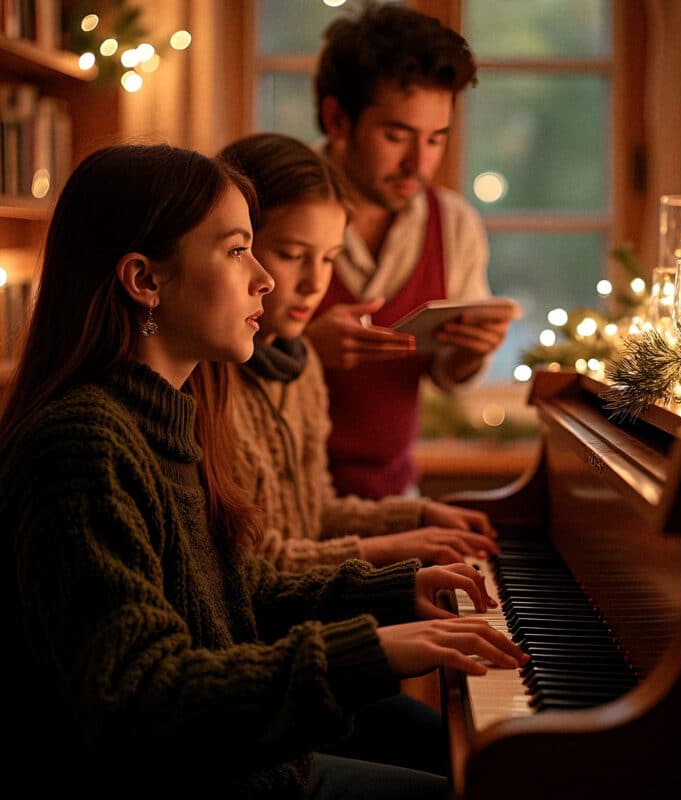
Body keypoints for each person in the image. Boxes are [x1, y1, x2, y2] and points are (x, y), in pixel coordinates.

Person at [0, 143, 529, 799]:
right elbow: (138, 697)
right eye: (234, 250)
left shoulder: (170, 416)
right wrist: (373, 652)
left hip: (255, 765)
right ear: (145, 280)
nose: (267, 280)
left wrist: (389, 594)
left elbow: (231, 589)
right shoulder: (84, 444)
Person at [218, 131, 502, 572]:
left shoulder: (301, 366)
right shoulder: (211, 382)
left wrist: (418, 516)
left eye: (330, 258)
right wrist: (398, 547)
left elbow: (315, 513)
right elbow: (254, 564)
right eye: (293, 254)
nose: (317, 283)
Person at [307, 1, 520, 500]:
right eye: (396, 135)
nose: (417, 164)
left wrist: (469, 355)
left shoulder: (454, 224)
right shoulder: (269, 208)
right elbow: (211, 373)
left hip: (396, 494)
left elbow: (448, 377)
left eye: (435, 139)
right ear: (337, 119)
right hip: (279, 503)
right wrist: (301, 351)